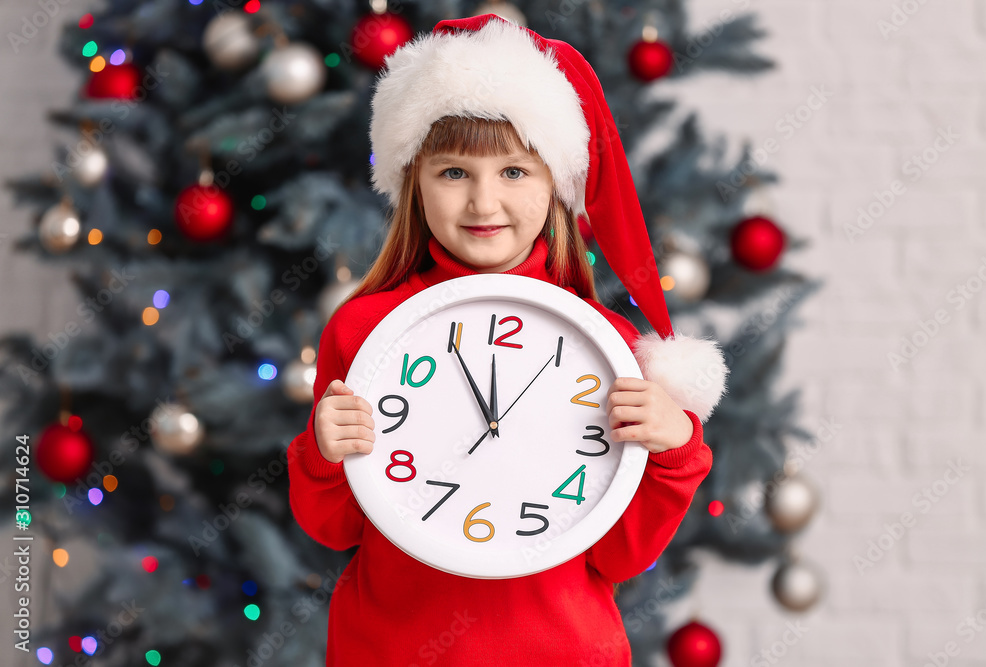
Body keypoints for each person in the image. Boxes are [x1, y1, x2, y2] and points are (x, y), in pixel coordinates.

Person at [287, 14, 728, 666]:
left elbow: (620, 552)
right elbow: (336, 525)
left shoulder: (607, 346)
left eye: (515, 172)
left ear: (556, 186)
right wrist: (323, 452)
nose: (483, 202)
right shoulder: (365, 333)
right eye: (453, 173)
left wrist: (675, 449)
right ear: (414, 183)